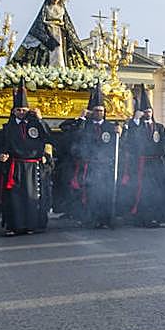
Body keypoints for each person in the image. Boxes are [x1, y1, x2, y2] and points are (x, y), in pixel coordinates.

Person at [0, 81, 52, 235]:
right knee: (14, 198)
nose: (21, 112)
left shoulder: (35, 124)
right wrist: (2, 154)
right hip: (15, 166)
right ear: (14, 111)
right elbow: (0, 144)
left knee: (32, 197)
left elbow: (49, 138)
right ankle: (14, 226)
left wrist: (41, 119)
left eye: (24, 109)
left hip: (33, 167)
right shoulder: (8, 127)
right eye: (18, 109)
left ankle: (31, 225)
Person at [63, 83, 121, 228]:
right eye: (96, 110)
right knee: (89, 194)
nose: (99, 113)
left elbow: (120, 145)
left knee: (104, 193)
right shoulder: (85, 125)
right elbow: (69, 131)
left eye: (101, 110)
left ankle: (105, 219)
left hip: (105, 167)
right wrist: (82, 118)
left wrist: (120, 133)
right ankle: (90, 219)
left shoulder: (110, 127)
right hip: (89, 167)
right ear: (91, 111)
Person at [121, 86, 165, 227]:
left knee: (158, 191)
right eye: (145, 112)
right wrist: (135, 121)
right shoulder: (136, 127)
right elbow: (128, 140)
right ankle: (143, 218)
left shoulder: (159, 127)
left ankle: (158, 216)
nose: (148, 113)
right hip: (141, 165)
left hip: (157, 165)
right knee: (144, 191)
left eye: (150, 111)